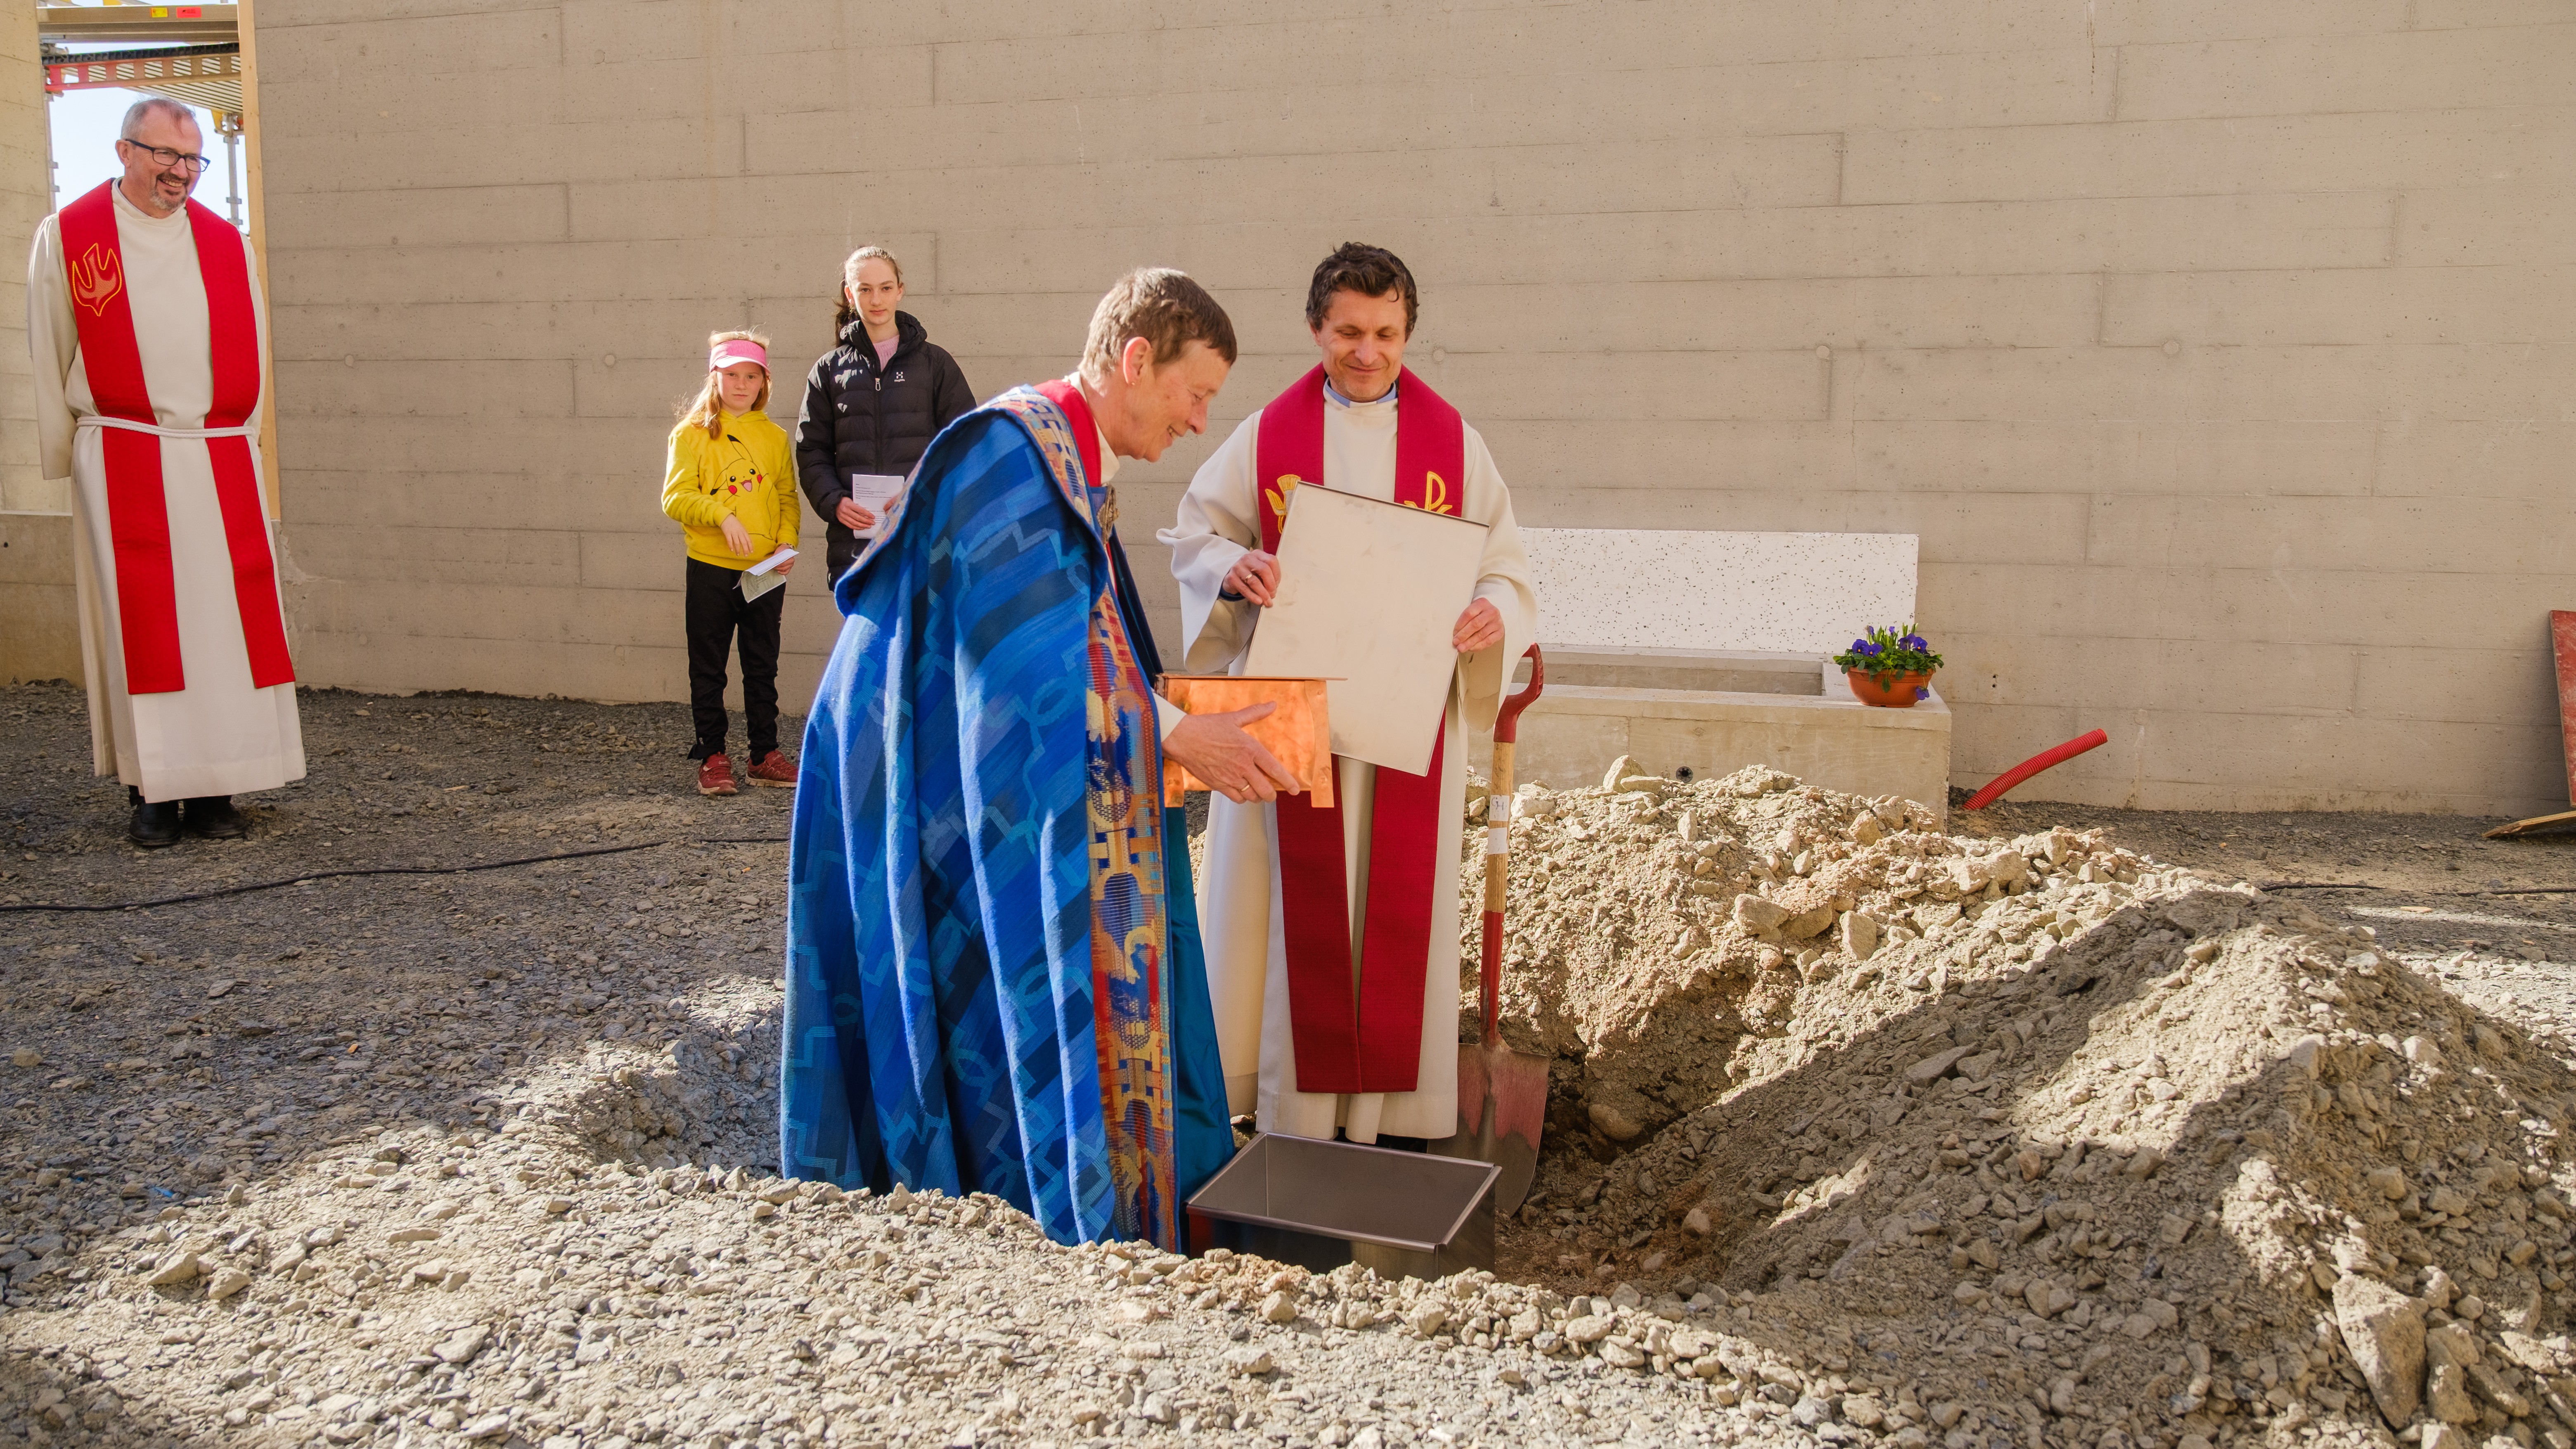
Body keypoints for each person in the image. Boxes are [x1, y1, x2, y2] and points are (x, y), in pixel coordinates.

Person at [782, 268, 1299, 1251]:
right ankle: (1006, 1201)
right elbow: (1025, 670)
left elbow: (1077, 638)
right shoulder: (1010, 454)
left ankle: (1030, 1185)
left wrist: (1175, 717)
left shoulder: (1065, 460)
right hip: (897, 764)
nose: (1198, 422)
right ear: (1136, 359)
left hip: (945, 758)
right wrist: (1177, 735)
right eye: (1195, 393)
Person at [1161, 243, 1537, 1146]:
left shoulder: (1456, 444)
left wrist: (1491, 610)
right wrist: (1234, 564)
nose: (1367, 352)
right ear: (1315, 329)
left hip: (1408, 711)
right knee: (1284, 902)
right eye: (1348, 333)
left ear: (1408, 331)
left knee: (1391, 897)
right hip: (1297, 706)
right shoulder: (1265, 435)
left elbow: (1505, 565)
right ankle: (1280, 1101)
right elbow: (1194, 534)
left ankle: (1385, 1110)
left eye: (1387, 334)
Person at [27, 97, 302, 850]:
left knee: (222, 629)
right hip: (123, 453)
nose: (182, 175)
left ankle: (216, 790)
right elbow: (48, 347)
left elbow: (254, 344)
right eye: (166, 157)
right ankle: (151, 790)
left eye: (193, 160)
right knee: (138, 629)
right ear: (123, 152)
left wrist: (244, 439)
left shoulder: (225, 243)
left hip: (214, 454)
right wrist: (67, 455)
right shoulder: (73, 237)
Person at [661, 330, 800, 797]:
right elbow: (676, 497)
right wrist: (722, 515)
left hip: (763, 572)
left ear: (764, 382)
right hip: (711, 568)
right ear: (714, 378)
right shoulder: (691, 434)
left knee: (761, 664)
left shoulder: (775, 437)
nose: (742, 384)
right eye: (732, 375)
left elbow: (785, 495)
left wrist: (786, 543)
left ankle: (764, 755)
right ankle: (712, 754)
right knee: (709, 664)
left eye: (752, 376)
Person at [794, 246, 975, 582]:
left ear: (900, 291)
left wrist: (926, 495)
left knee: (919, 635)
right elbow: (811, 451)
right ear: (851, 294)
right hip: (854, 545)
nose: (876, 299)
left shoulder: (935, 364)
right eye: (865, 289)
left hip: (923, 536)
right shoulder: (828, 370)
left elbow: (966, 444)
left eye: (886, 288)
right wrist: (834, 501)